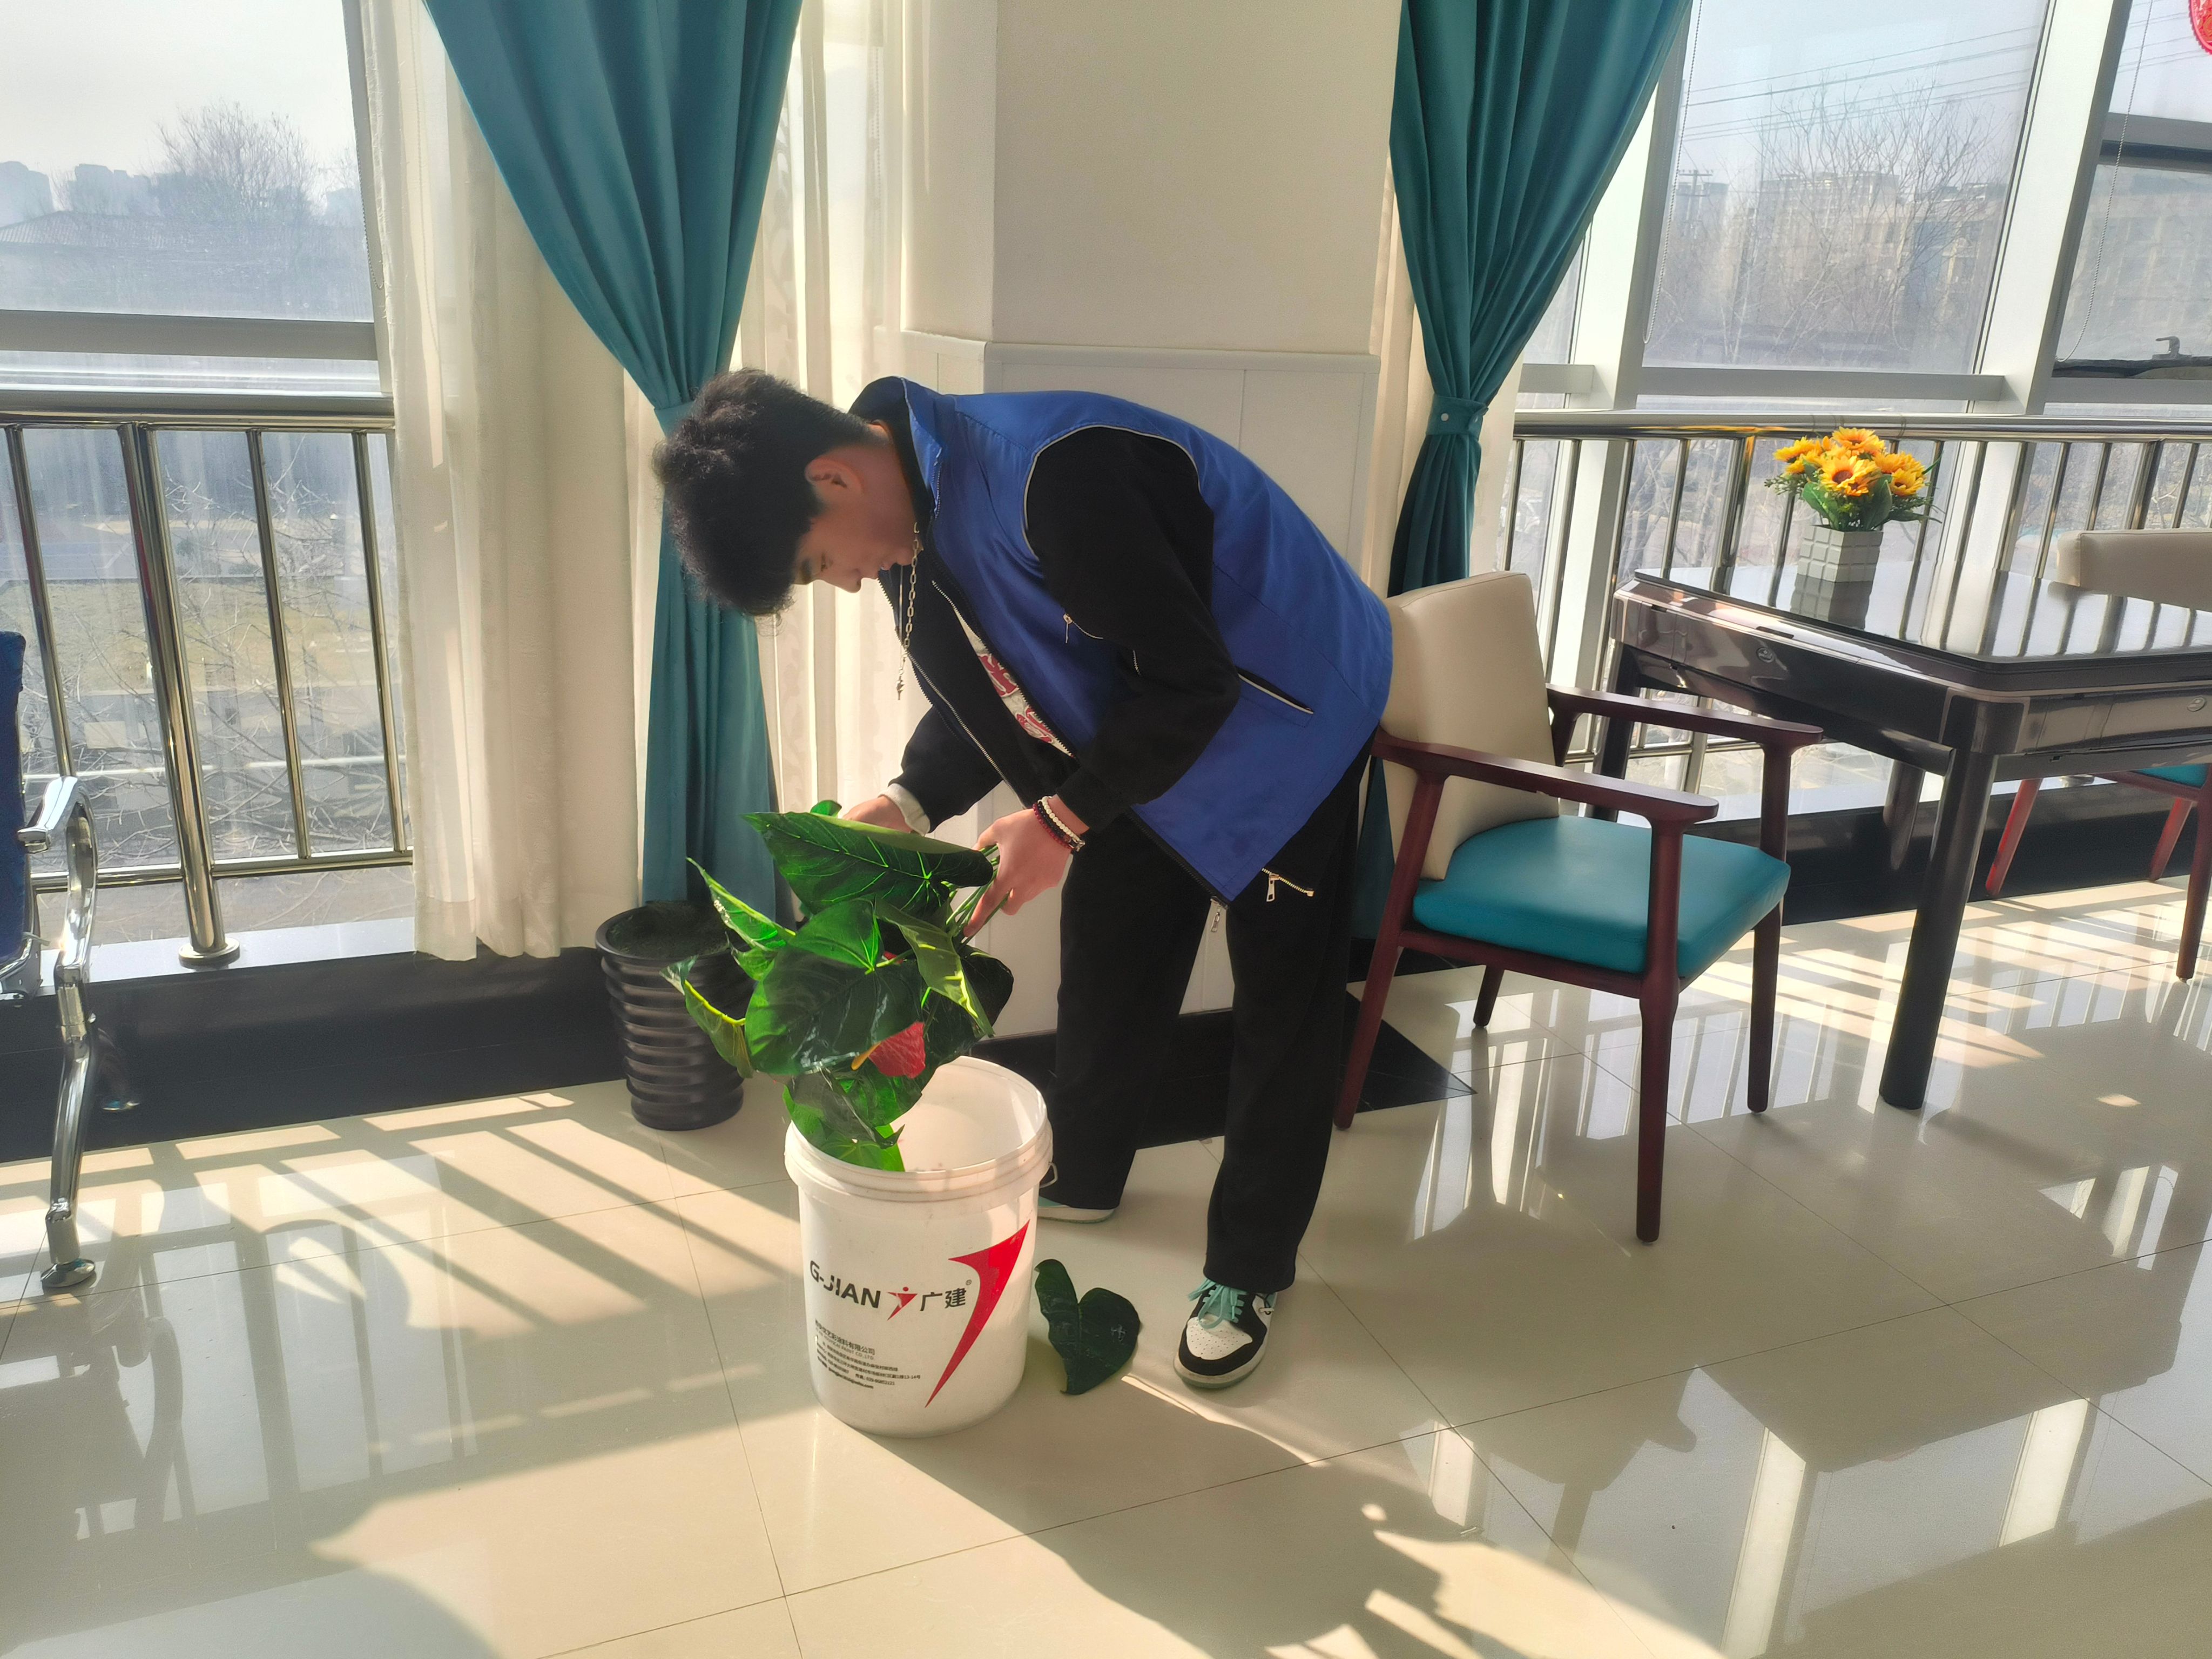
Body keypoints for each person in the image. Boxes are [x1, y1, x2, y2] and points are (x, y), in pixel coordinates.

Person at [656, 369, 1390, 1389]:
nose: (846, 584)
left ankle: (1249, 1269)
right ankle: (1084, 1168)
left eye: (821, 562)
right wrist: (908, 801)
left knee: (1285, 1007)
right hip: (1140, 736)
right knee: (1114, 951)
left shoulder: (1057, 477)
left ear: (835, 477)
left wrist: (1062, 818)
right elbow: (997, 685)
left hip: (1289, 720)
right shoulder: (907, 526)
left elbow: (1193, 680)